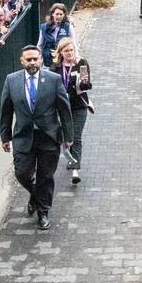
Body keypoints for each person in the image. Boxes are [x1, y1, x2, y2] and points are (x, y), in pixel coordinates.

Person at [0, 45, 74, 230]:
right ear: (22, 60)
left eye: (35, 59)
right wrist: (5, 136)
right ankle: (34, 194)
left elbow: (64, 110)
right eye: (28, 59)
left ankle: (43, 212)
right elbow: (6, 110)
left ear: (41, 59)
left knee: (46, 177)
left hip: (48, 136)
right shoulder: (11, 80)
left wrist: (68, 136)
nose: (32, 62)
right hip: (23, 137)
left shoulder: (53, 80)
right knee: (22, 173)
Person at [51, 37, 92, 185]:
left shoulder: (81, 64)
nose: (69, 53)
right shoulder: (55, 68)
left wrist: (84, 82)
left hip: (79, 105)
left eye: (71, 50)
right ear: (61, 52)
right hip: (61, 107)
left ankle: (75, 169)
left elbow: (87, 86)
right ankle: (70, 157)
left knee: (76, 135)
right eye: (66, 50)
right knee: (65, 136)